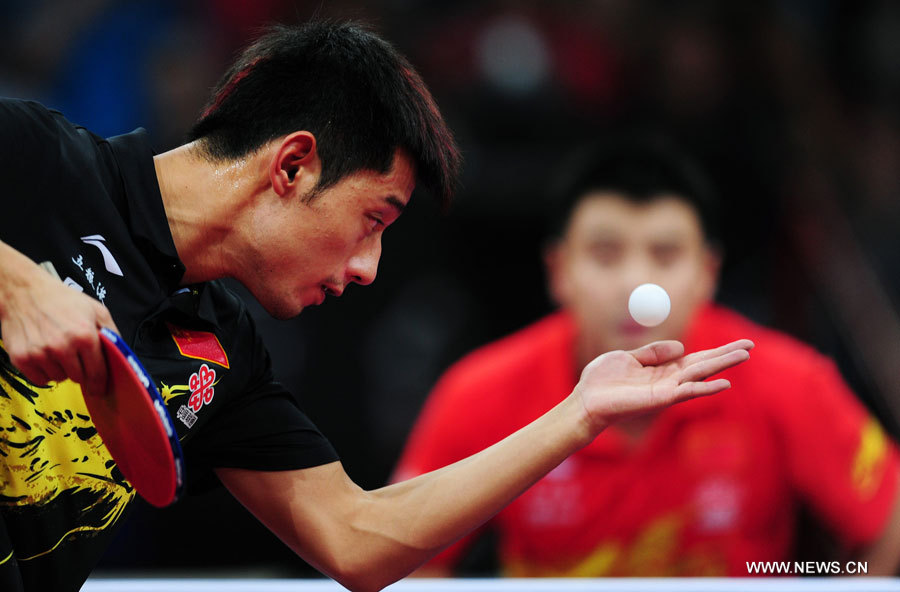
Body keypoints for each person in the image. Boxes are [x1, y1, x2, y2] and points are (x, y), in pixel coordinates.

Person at [0, 22, 752, 592]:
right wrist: (19, 285)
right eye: (374, 220)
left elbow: (356, 537)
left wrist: (579, 413)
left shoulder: (220, 355)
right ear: (293, 165)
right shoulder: (36, 162)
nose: (367, 269)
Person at [393, 138, 900, 577]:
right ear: (559, 270)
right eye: (607, 253)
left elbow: (890, 518)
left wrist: (845, 580)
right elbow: (406, 557)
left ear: (707, 273)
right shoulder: (479, 392)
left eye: (664, 253)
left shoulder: (791, 380)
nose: (636, 283)